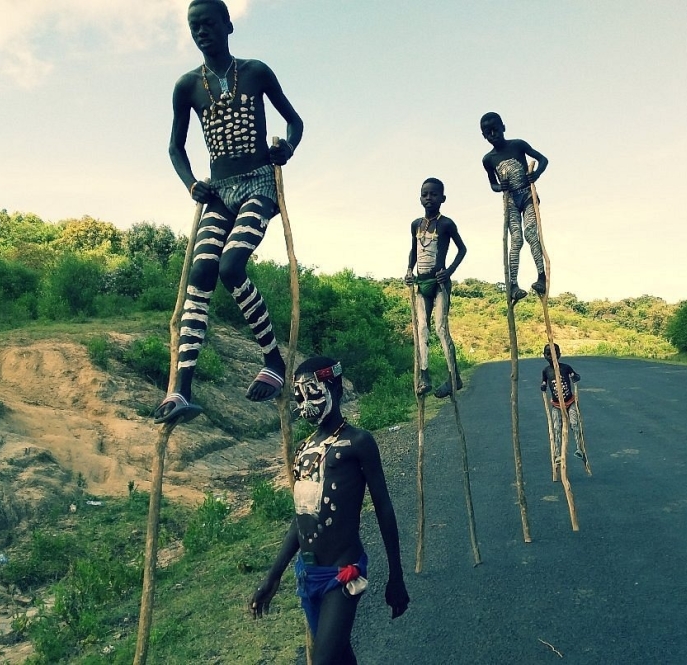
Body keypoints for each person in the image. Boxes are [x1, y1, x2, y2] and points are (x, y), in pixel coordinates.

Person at [154, 0, 304, 424]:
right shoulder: (187, 86)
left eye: (208, 23)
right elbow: (175, 146)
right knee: (200, 273)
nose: (201, 31)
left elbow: (294, 121)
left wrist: (286, 148)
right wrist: (190, 184)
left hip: (258, 183)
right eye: (193, 26)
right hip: (218, 193)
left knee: (230, 266)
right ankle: (181, 389)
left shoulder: (255, 72)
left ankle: (273, 360)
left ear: (228, 25)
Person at [251, 357, 410, 664]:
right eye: (299, 395)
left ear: (334, 388)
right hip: (308, 575)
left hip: (343, 573)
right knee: (338, 657)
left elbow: (384, 509)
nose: (305, 403)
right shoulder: (304, 450)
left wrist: (396, 576)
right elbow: (301, 520)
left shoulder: (359, 442)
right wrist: (273, 577)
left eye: (313, 392)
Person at [404, 178, 467, 399]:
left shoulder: (446, 224)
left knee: (440, 328)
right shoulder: (415, 225)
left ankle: (454, 377)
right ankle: (424, 376)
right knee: (421, 329)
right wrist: (409, 270)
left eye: (433, 194)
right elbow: (413, 250)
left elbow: (462, 249)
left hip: (440, 284)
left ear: (443, 198)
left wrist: (448, 272)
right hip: (421, 285)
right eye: (424, 194)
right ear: (420, 197)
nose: (428, 198)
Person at [480, 112, 548, 304]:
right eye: (487, 132)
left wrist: (536, 175)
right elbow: (492, 184)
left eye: (495, 128)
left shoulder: (518, 145)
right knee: (516, 239)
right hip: (510, 200)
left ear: (503, 127)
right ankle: (513, 285)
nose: (492, 133)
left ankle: (541, 277)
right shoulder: (488, 160)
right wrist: (499, 187)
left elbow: (543, 159)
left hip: (527, 195)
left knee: (531, 234)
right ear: (484, 135)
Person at [540, 343, 585, 461]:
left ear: (559, 354)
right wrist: (543, 386)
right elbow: (544, 382)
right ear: (544, 355)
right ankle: (558, 454)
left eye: (554, 354)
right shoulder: (546, 371)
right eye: (548, 354)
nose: (551, 357)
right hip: (556, 405)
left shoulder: (566, 368)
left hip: (570, 402)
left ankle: (579, 448)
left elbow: (575, 376)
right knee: (556, 427)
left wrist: (575, 377)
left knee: (575, 424)